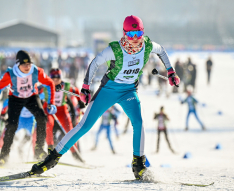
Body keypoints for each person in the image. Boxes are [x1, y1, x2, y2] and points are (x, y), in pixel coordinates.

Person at [30, 15, 180, 180]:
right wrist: (86, 87)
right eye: (131, 35)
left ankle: (139, 165)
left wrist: (171, 71)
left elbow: (162, 51)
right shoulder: (115, 50)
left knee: (138, 123)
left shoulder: (149, 45)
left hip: (129, 91)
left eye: (138, 33)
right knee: (84, 126)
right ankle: (51, 159)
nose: (135, 39)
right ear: (124, 34)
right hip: (108, 90)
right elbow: (95, 63)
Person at [0, 50, 56, 166]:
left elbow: (50, 83)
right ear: (18, 64)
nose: (27, 67)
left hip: (31, 97)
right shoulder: (11, 74)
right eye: (24, 64)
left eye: (29, 64)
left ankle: (39, 150)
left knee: (42, 118)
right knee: (11, 125)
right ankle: (4, 156)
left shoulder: (36, 72)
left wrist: (51, 103)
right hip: (16, 99)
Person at [44, 68, 85, 162]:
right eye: (53, 78)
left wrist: (81, 103)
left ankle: (75, 154)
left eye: (57, 78)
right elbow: (35, 91)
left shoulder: (65, 85)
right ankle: (49, 150)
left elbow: (75, 91)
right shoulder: (46, 86)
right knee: (49, 125)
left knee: (70, 130)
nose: (55, 80)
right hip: (49, 111)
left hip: (62, 111)